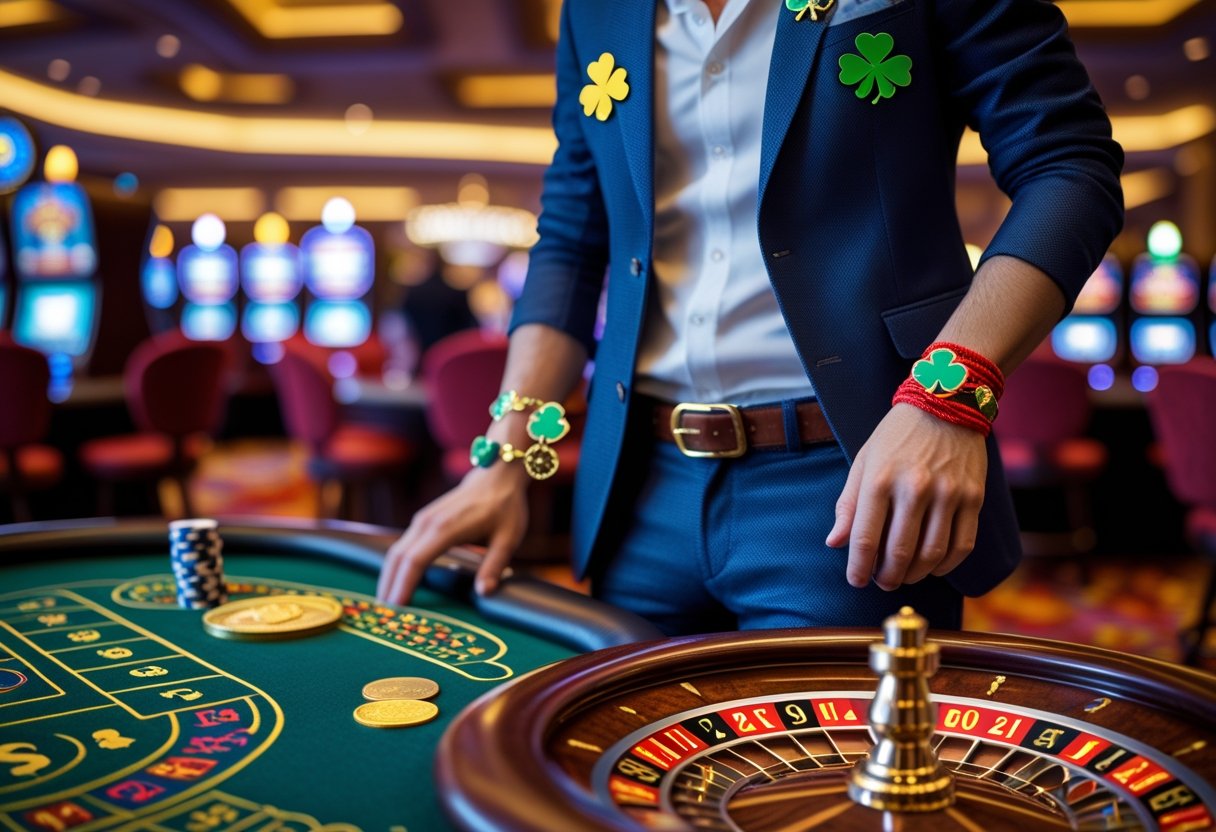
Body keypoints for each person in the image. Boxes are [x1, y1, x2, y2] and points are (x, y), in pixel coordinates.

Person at [378, 0, 1124, 635]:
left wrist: (951, 394)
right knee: (619, 783)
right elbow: (574, 238)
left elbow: (1068, 165)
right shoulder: (594, 9)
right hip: (639, 489)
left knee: (824, 798)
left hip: (851, 477)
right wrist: (507, 453)